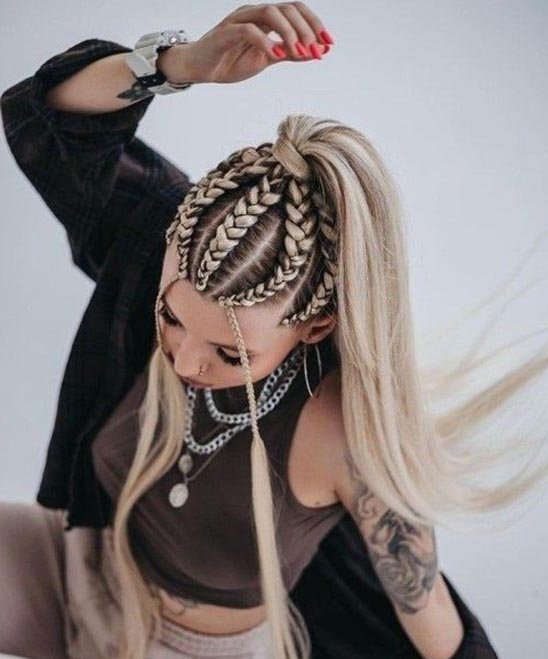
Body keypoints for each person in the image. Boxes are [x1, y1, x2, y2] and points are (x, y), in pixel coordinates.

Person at [2, 3, 543, 659]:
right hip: (81, 570)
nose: (186, 361)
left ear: (317, 325)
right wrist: (180, 63)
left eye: (230, 352)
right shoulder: (166, 249)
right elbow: (47, 119)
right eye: (170, 318)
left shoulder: (342, 434)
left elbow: (433, 619)